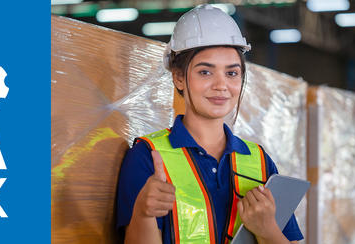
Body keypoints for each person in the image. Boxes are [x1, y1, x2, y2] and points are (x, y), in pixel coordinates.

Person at [116, 4, 303, 244]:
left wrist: (268, 230)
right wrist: (143, 213)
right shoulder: (147, 157)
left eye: (232, 73)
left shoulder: (259, 161)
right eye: (205, 72)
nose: (221, 85)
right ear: (179, 77)